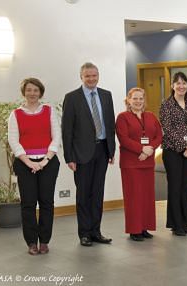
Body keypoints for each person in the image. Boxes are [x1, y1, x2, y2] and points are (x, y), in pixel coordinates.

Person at [62, 62, 116, 247]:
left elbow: (110, 125)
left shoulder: (106, 95)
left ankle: (96, 231)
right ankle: (84, 233)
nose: (91, 79)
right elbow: (67, 130)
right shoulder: (72, 98)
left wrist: (111, 150)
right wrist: (69, 157)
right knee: (83, 194)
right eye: (88, 76)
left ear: (98, 75)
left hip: (102, 150)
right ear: (81, 77)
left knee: (98, 193)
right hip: (81, 154)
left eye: (94, 75)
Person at [8, 78, 61, 255]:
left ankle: (44, 241)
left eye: (36, 90)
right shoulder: (15, 114)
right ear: (24, 92)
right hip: (25, 164)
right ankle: (31, 242)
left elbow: (56, 138)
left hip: (48, 162)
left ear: (41, 92)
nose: (32, 93)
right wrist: (29, 162)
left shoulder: (49, 111)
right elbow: (13, 141)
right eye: (29, 90)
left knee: (47, 202)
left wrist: (44, 161)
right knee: (28, 204)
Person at [115, 88, 162, 241]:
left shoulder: (150, 116)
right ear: (128, 100)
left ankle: (144, 227)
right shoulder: (122, 117)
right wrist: (142, 149)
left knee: (147, 197)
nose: (138, 101)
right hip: (131, 163)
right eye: (135, 98)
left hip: (147, 163)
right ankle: (134, 230)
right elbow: (123, 138)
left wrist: (149, 150)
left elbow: (159, 135)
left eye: (141, 98)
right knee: (133, 197)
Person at [160, 72, 187, 236]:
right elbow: (168, 130)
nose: (181, 86)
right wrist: (185, 146)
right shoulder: (166, 105)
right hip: (172, 152)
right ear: (172, 86)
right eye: (178, 83)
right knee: (175, 188)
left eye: (184, 83)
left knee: (186, 188)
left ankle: (184, 223)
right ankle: (176, 225)